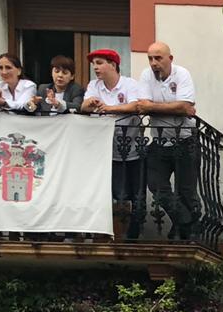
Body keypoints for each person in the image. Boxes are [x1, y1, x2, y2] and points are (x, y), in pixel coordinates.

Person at [136, 41, 200, 239]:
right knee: (156, 185)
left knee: (186, 190)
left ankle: (184, 231)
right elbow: (143, 106)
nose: (153, 63)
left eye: (158, 58)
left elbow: (184, 107)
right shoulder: (146, 75)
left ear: (170, 59)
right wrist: (175, 107)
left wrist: (153, 107)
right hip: (159, 141)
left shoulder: (182, 74)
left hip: (186, 141)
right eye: (150, 58)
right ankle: (185, 222)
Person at [81, 49, 146, 238]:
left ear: (113, 65)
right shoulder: (94, 85)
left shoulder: (129, 84)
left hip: (132, 149)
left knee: (135, 194)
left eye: (99, 63)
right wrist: (90, 103)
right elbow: (83, 107)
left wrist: (110, 108)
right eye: (94, 64)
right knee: (115, 193)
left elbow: (135, 105)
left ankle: (132, 234)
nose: (95, 67)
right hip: (106, 152)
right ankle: (109, 233)